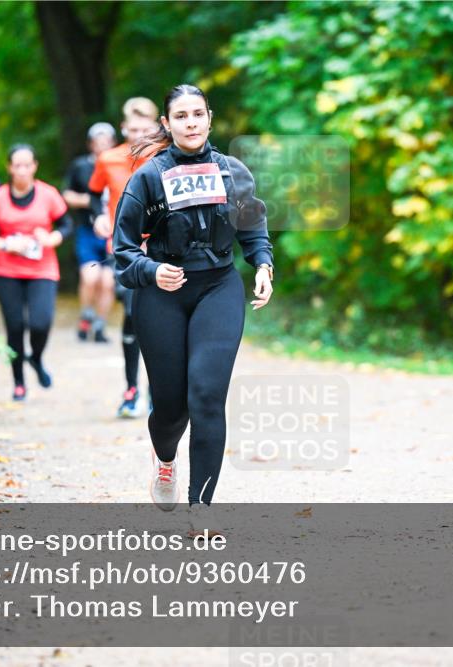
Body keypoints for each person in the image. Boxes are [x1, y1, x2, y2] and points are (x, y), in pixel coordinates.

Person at [112, 84, 274, 526]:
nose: (191, 123)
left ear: (209, 118)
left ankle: (200, 507)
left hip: (218, 287)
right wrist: (150, 270)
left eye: (197, 114)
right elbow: (123, 250)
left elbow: (253, 227)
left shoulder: (232, 171)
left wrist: (262, 264)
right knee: (171, 406)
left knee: (206, 396)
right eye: (180, 116)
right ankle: (164, 459)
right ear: (167, 124)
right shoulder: (148, 177)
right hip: (162, 293)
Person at [0, 144, 73, 402]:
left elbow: (66, 225)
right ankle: (19, 382)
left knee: (40, 323)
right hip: (6, 269)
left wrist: (52, 238)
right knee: (15, 326)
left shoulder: (48, 194)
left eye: (27, 165)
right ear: (10, 168)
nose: (22, 171)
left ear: (35, 166)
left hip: (42, 268)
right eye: (17, 166)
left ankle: (36, 357)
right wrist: (6, 244)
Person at [89, 97, 161, 417]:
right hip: (124, 249)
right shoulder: (108, 159)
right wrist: (98, 216)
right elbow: (94, 194)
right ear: (123, 128)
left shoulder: (165, 157)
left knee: (161, 320)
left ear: (157, 128)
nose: (138, 136)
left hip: (162, 249)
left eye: (145, 129)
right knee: (133, 312)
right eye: (132, 129)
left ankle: (156, 392)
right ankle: (131, 389)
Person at [62, 122, 117, 342]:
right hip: (88, 230)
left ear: (113, 143)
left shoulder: (119, 164)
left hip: (113, 233)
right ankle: (86, 314)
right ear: (90, 144)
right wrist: (90, 200)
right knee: (90, 276)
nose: (102, 145)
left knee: (108, 282)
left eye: (106, 141)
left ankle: (100, 325)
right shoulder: (81, 166)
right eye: (98, 141)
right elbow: (66, 195)